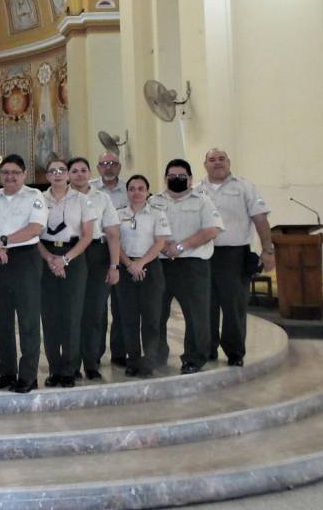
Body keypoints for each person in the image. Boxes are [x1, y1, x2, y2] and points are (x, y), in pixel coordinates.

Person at [195, 149, 275, 366]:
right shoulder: (196, 191)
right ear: (205, 165)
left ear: (229, 163)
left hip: (234, 256)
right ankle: (207, 348)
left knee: (234, 307)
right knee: (205, 305)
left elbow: (260, 220)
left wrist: (268, 250)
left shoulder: (245, 188)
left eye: (221, 159)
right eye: (212, 160)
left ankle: (235, 352)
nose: (217, 163)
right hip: (203, 256)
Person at [151, 158, 224, 374]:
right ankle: (156, 354)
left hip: (192, 265)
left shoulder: (203, 201)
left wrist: (181, 246)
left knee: (196, 315)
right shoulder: (153, 201)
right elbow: (146, 228)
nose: (177, 179)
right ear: (165, 178)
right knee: (156, 312)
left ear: (190, 179)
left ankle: (194, 357)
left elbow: (211, 230)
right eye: (172, 176)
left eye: (182, 177)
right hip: (160, 264)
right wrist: (163, 247)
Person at [0, 154, 47, 393]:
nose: (10, 176)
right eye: (6, 172)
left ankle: (28, 376)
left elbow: (35, 228)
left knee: (29, 320)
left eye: (15, 172)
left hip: (25, 260)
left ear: (24, 175)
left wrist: (3, 241)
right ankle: (7, 372)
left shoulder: (35, 196)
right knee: (3, 321)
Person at [37, 158, 96, 387]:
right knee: (50, 316)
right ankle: (55, 369)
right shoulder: (39, 200)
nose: (58, 173)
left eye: (62, 170)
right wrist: (50, 259)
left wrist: (65, 260)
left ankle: (70, 369)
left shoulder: (82, 200)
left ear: (68, 175)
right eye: (53, 170)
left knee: (72, 315)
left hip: (74, 255)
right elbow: (34, 233)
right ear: (47, 175)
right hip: (46, 256)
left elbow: (88, 235)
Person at [68, 157, 120, 380]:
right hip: (71, 253)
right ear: (68, 174)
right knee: (71, 311)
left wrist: (114, 264)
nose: (79, 174)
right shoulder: (61, 196)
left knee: (95, 311)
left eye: (83, 170)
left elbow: (112, 233)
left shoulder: (102, 198)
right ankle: (71, 363)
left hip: (97, 255)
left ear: (90, 173)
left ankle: (91, 362)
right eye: (75, 171)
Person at [116, 175, 170, 377]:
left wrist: (141, 263)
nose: (136, 192)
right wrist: (130, 263)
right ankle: (133, 360)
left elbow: (160, 242)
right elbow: (115, 242)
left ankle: (149, 361)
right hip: (126, 266)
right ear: (127, 192)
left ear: (148, 191)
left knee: (151, 317)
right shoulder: (118, 214)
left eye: (141, 188)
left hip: (150, 267)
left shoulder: (157, 214)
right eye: (132, 188)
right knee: (128, 317)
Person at [90, 151, 128, 368]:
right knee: (98, 308)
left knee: (122, 306)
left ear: (119, 167)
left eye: (113, 163)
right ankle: (94, 352)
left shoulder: (129, 188)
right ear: (98, 167)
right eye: (104, 163)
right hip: (100, 251)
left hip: (126, 252)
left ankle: (120, 352)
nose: (108, 167)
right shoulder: (91, 190)